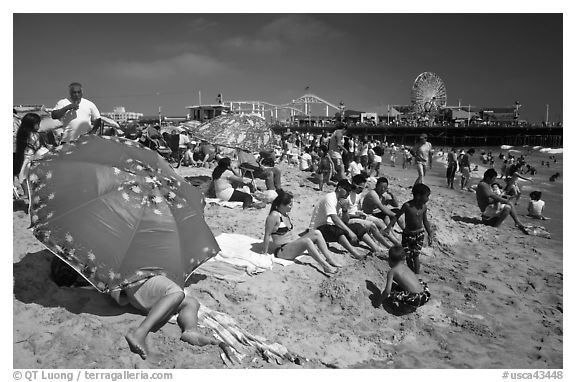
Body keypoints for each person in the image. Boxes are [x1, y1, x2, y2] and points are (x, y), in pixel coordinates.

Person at [111, 275, 224, 360]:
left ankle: (190, 331)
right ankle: (140, 332)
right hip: (138, 278)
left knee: (191, 302)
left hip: (136, 290)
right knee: (176, 293)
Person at [262, 190, 340, 276]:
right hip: (282, 251)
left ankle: (329, 259)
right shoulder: (274, 216)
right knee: (307, 241)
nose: (291, 207)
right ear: (281, 205)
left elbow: (289, 234)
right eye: (290, 205)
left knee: (316, 233)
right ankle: (325, 266)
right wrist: (264, 253)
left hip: (291, 245)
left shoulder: (284, 214)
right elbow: (267, 234)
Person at [309, 179, 384, 259]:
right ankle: (355, 254)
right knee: (337, 230)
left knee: (357, 227)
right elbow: (334, 218)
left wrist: (345, 210)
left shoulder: (341, 201)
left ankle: (376, 248)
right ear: (339, 188)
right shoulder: (330, 197)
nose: (348, 193)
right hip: (318, 229)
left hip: (329, 226)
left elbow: (345, 220)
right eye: (347, 191)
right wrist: (350, 232)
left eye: (349, 191)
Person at [384, 183, 434, 274]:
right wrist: (388, 227)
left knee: (416, 255)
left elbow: (425, 221)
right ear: (418, 196)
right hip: (407, 234)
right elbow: (396, 216)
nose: (428, 199)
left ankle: (417, 274)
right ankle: (411, 272)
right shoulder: (407, 206)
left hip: (419, 234)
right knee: (407, 255)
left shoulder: (424, 207)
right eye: (427, 196)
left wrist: (430, 233)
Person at [347, 174, 401, 248]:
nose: (362, 190)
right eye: (360, 188)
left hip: (359, 215)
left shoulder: (358, 194)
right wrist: (356, 215)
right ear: (354, 184)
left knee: (380, 222)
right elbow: (343, 214)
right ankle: (388, 246)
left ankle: (396, 243)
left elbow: (396, 204)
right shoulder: (347, 195)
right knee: (373, 225)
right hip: (350, 218)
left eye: (363, 188)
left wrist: (360, 213)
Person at [381, 246, 431, 310]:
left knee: (392, 292)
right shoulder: (405, 267)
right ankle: (411, 305)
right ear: (404, 259)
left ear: (389, 260)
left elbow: (387, 291)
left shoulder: (392, 272)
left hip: (415, 299)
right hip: (425, 295)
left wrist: (378, 302)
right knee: (397, 286)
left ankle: (406, 308)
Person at [13, 113, 48, 199]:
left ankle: (29, 196)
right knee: (29, 180)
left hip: (29, 159)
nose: (39, 126)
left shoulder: (25, 133)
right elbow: (35, 148)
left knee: (28, 180)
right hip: (30, 160)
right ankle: (30, 198)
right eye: (38, 124)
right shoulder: (31, 135)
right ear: (31, 124)